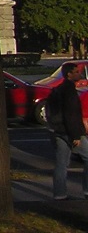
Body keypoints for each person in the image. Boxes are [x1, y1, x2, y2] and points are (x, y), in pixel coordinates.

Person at [48, 62, 88, 200]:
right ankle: (87, 190)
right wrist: (76, 135)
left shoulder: (58, 89)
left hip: (58, 130)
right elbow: (71, 115)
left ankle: (59, 194)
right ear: (69, 74)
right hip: (70, 132)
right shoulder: (69, 91)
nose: (79, 73)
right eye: (76, 72)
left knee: (61, 164)